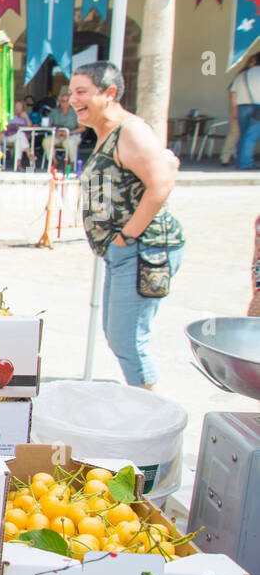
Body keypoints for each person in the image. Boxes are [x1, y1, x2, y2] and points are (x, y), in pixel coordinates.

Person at [73, 61, 185, 389]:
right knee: (118, 335)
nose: (73, 100)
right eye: (71, 93)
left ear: (109, 93)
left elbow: (161, 185)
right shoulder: (107, 131)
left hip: (142, 249)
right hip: (124, 253)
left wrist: (127, 236)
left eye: (82, 92)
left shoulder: (130, 129)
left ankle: (150, 413)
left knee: (129, 341)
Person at [228, 54, 260, 170]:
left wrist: (234, 109)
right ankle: (245, 163)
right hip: (258, 107)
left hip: (242, 107)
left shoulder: (241, 75)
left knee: (243, 135)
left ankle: (240, 161)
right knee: (251, 136)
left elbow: (233, 93)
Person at [49, 86, 81, 168]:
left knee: (69, 142)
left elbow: (83, 128)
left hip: (72, 134)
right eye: (63, 101)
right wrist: (56, 131)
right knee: (46, 141)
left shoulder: (75, 112)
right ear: (59, 102)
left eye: (67, 101)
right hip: (58, 135)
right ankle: (54, 161)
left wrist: (69, 133)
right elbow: (49, 126)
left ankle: (72, 162)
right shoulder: (54, 112)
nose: (65, 103)